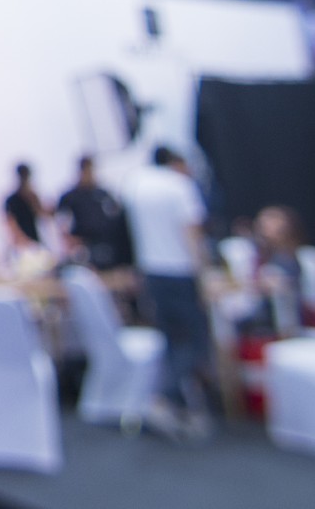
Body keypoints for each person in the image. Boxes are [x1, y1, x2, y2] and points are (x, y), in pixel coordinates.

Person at [119, 146, 214, 441]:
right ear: (176, 163)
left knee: (171, 338)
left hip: (152, 272)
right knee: (194, 339)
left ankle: (178, 405)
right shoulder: (179, 186)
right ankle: (164, 399)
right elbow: (192, 232)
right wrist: (204, 273)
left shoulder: (136, 185)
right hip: (180, 271)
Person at [57, 156, 134, 271]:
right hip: (85, 245)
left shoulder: (101, 193)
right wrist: (71, 242)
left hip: (106, 243)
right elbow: (62, 223)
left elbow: (115, 213)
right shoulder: (70, 197)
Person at [3, 163, 47, 250]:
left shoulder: (32, 197)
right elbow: (10, 222)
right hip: (20, 244)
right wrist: (22, 239)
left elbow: (42, 213)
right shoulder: (12, 200)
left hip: (35, 240)